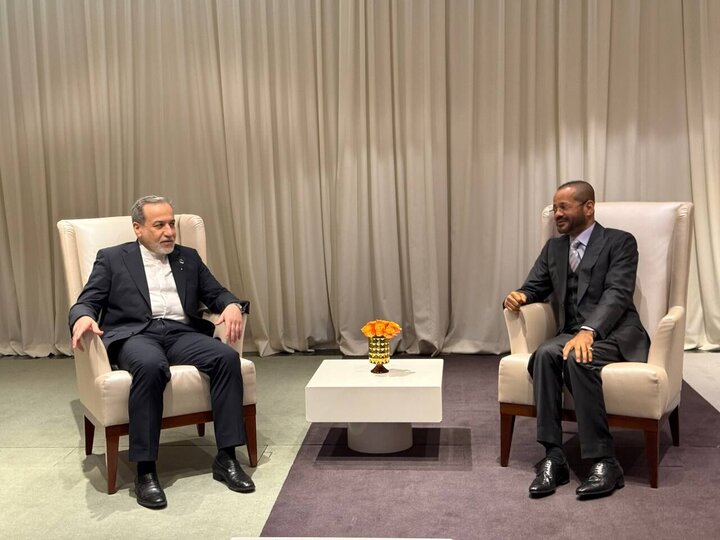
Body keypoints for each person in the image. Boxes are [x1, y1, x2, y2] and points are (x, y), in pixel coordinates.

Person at [69, 195, 254, 509]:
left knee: (225, 358)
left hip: (180, 333)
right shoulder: (112, 258)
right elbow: (87, 301)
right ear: (138, 228)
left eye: (171, 224)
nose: (169, 232)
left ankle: (226, 458)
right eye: (159, 225)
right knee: (150, 366)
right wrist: (82, 317)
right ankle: (145, 470)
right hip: (135, 334)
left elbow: (217, 293)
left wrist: (232, 305)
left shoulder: (188, 258)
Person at [503, 180, 650, 499]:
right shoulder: (554, 249)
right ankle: (554, 457)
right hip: (572, 334)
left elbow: (618, 293)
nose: (557, 213)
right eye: (555, 208)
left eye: (564, 207)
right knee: (544, 354)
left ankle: (605, 461)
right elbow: (535, 286)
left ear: (588, 207)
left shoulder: (620, 242)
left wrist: (589, 331)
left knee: (577, 357)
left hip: (616, 333)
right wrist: (520, 296)